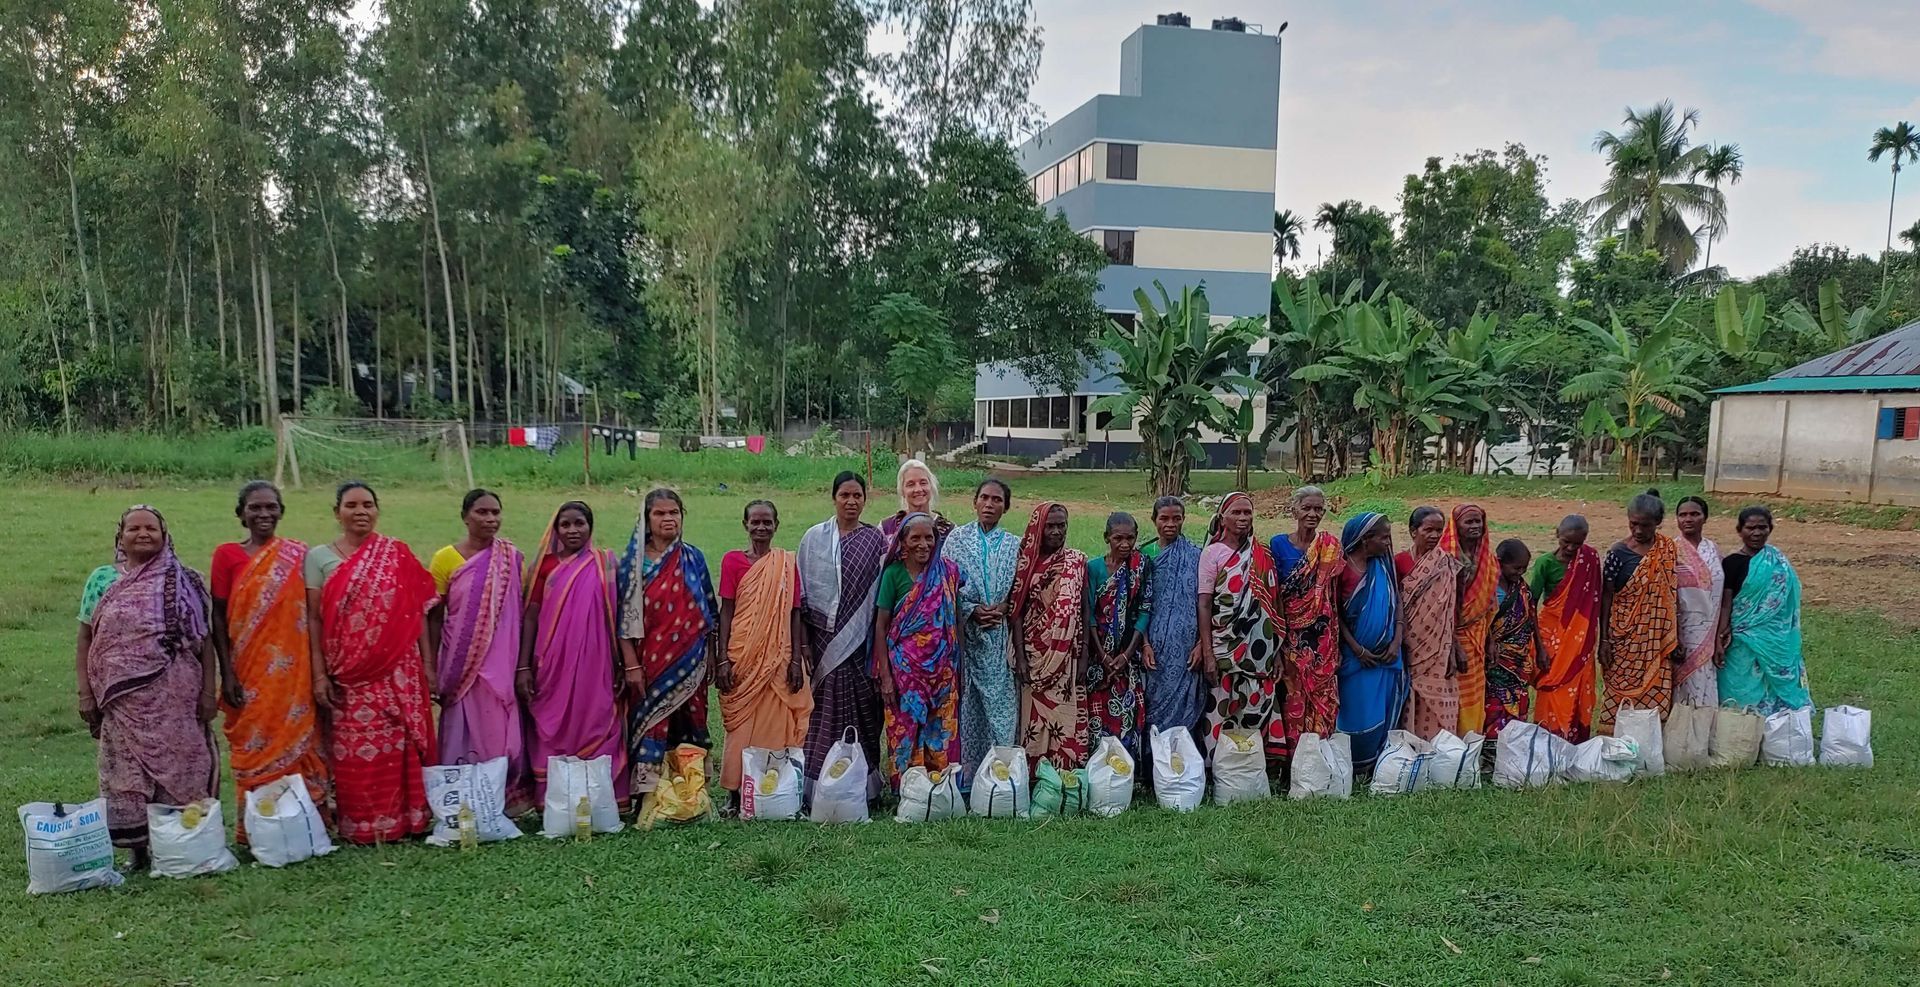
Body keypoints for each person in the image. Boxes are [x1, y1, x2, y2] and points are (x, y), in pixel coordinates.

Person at [76, 505, 217, 867]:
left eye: (151, 528)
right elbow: (86, 638)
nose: (143, 534)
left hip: (177, 697)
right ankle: (139, 851)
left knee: (182, 766)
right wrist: (85, 692)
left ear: (164, 534)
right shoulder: (102, 580)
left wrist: (208, 692)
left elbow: (205, 641)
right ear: (120, 537)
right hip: (121, 701)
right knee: (127, 773)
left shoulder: (186, 580)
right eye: (133, 528)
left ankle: (183, 843)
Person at [306, 481, 438, 843]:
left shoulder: (396, 553)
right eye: (351, 505)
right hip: (347, 671)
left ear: (377, 510)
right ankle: (361, 824)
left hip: (400, 667)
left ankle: (409, 819)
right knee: (353, 748)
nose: (360, 511)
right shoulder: (318, 557)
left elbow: (417, 613)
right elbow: (314, 618)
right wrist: (320, 675)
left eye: (367, 504)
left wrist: (428, 665)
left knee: (402, 741)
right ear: (337, 512)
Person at [208, 482, 328, 842]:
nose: (264, 514)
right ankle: (256, 829)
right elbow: (217, 615)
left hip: (294, 673)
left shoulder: (298, 554)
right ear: (240, 513)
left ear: (281, 510)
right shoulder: (227, 555)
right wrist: (227, 674)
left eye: (271, 507)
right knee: (254, 742)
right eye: (255, 508)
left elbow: (311, 612)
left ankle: (305, 822)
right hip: (249, 669)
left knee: (300, 741)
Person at [519, 500, 623, 804]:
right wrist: (523, 666)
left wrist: (622, 663)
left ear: (590, 527)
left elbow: (617, 616)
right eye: (565, 524)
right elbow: (530, 616)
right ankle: (552, 798)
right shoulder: (544, 568)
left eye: (579, 523)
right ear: (555, 529)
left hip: (597, 662)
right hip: (551, 664)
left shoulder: (605, 564)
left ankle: (602, 796)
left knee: (598, 718)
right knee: (551, 724)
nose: (573, 530)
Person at [618, 489, 719, 796]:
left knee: (691, 720)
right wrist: (631, 665)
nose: (668, 519)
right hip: (648, 661)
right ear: (646, 520)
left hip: (691, 660)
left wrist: (712, 655)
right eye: (660, 513)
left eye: (674, 512)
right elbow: (623, 618)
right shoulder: (632, 564)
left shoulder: (693, 557)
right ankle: (649, 793)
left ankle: (690, 791)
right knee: (650, 722)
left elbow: (709, 611)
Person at [428, 489, 526, 805]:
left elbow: (518, 613)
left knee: (497, 729)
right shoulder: (445, 559)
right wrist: (429, 665)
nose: (490, 519)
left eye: (495, 512)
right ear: (465, 516)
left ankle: (498, 796)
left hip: (501, 664)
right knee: (459, 727)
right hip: (459, 662)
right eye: (482, 512)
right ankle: (460, 797)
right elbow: (434, 616)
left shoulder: (510, 558)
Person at [715, 500, 811, 814]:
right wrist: (722, 658)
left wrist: (796, 660)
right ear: (745, 525)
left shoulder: (786, 563)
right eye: (755, 522)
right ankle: (734, 791)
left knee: (777, 722)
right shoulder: (732, 562)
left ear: (776, 525)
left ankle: (775, 790)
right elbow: (726, 612)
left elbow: (795, 614)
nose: (761, 528)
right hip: (743, 654)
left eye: (767, 522)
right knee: (740, 726)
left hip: (778, 655)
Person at [797, 472, 888, 801]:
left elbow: (880, 598)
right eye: (845, 495)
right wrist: (805, 643)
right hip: (822, 642)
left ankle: (863, 787)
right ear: (833, 498)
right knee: (823, 710)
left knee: (864, 711)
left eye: (857, 496)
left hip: (861, 644)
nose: (851, 502)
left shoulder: (876, 541)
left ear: (865, 500)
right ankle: (817, 783)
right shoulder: (813, 539)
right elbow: (803, 595)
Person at [871, 512, 965, 788]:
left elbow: (954, 617)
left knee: (941, 728)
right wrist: (885, 677)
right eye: (916, 538)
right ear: (903, 542)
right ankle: (909, 789)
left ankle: (941, 786)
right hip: (905, 673)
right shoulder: (893, 574)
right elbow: (881, 627)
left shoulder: (947, 572)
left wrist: (957, 662)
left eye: (929, 537)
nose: (924, 544)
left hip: (944, 670)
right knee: (906, 727)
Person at [1198, 491, 1285, 759]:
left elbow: (1273, 604)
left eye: (1247, 512)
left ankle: (1251, 763)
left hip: (1260, 652)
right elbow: (1204, 605)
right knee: (1220, 707)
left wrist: (1277, 653)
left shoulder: (1262, 555)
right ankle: (1216, 766)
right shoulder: (1212, 554)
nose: (1243, 518)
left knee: (1256, 705)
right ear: (1222, 517)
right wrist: (1208, 653)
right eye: (1236, 512)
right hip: (1225, 645)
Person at [944, 478, 1021, 777]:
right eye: (984, 498)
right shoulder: (956, 540)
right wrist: (971, 610)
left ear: (1006, 507)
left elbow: (1021, 589)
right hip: (967, 637)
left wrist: (1002, 608)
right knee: (969, 705)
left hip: (1000, 637)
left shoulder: (1015, 545)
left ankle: (1003, 771)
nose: (989, 505)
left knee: (1001, 705)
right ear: (974, 502)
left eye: (997, 500)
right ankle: (970, 775)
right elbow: (946, 586)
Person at [1009, 501, 1090, 770]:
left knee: (1065, 715)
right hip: (1033, 654)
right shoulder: (1026, 563)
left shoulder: (1076, 562)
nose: (1056, 531)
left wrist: (1086, 653)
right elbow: (1017, 611)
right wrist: (1021, 655)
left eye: (1061, 525)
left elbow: (1084, 609)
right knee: (1033, 717)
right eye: (1050, 526)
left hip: (1066, 654)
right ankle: (1032, 773)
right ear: (1037, 528)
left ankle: (1065, 774)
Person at [1598, 489, 1680, 733]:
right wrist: (1604, 640)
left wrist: (1676, 638)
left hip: (1656, 640)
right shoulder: (1617, 553)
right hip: (1623, 638)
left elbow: (1671, 597)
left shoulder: (1667, 549)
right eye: (1634, 524)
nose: (1639, 531)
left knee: (1656, 691)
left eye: (1645, 525)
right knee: (1618, 692)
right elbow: (1607, 596)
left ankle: (1649, 742)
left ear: (1658, 523)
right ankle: (1613, 740)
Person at [1716, 506, 1812, 713]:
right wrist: (1722, 632)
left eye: (1762, 527)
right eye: (1750, 528)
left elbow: (1788, 602)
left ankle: (1777, 730)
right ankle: (1740, 731)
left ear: (1770, 529)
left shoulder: (1779, 562)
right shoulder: (1731, 563)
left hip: (1776, 639)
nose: (1757, 533)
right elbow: (1726, 602)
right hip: (1741, 639)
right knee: (1739, 687)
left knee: (1774, 687)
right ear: (1739, 530)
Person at [1270, 486, 1342, 756]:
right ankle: (1292, 759)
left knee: (1322, 696)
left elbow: (1333, 598)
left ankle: (1319, 756)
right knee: (1292, 696)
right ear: (1294, 510)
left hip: (1321, 640)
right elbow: (1274, 593)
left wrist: (1336, 644)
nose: (1312, 514)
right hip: (1289, 636)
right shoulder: (1278, 544)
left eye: (1318, 509)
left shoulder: (1330, 547)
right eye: (1307, 508)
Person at [1334, 512, 1405, 769]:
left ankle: (1376, 761)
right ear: (1366, 540)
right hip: (1356, 656)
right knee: (1356, 710)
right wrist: (1357, 648)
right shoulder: (1341, 568)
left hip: (1386, 655)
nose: (1389, 543)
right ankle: (1353, 762)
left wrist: (1396, 640)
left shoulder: (1384, 566)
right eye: (1384, 538)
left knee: (1381, 708)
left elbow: (1397, 601)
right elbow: (1335, 613)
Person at [1085, 512, 1152, 762]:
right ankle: (1098, 767)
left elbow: (1145, 610)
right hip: (1097, 656)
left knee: (1127, 712)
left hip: (1128, 655)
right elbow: (1089, 614)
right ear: (1106, 538)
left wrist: (1124, 655)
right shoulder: (1093, 568)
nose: (1125, 544)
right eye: (1118, 538)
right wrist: (1103, 656)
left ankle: (1125, 768)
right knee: (1097, 713)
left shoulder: (1141, 566)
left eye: (1130, 538)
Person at [1529, 515, 1602, 742]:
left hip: (1579, 639)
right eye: (1565, 542)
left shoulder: (1589, 561)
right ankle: (1547, 738)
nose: (1571, 548)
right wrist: (1540, 648)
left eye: (1577, 544)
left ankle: (1575, 740)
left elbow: (1594, 601)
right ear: (1556, 534)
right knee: (1552, 686)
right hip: (1551, 636)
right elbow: (1530, 603)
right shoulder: (1545, 563)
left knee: (1579, 687)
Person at [1140, 496, 1204, 736]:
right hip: (1154, 646)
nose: (1170, 524)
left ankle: (1184, 760)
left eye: (1176, 519)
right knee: (1153, 703)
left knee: (1186, 707)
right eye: (1164, 518)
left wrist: (1201, 645)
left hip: (1188, 648)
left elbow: (1205, 602)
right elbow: (1139, 605)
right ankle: (1153, 761)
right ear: (1153, 520)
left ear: (1183, 520)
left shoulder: (1196, 555)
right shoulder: (1144, 555)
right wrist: (1144, 643)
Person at [1395, 506, 1459, 739]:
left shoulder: (1446, 564)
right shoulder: (1400, 561)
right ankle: (1411, 741)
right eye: (1428, 530)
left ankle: (1438, 744)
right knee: (1411, 692)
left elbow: (1450, 610)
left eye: (1438, 531)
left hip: (1439, 646)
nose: (1434, 536)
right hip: (1409, 643)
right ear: (1414, 531)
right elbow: (1395, 603)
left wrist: (1453, 647)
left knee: (1439, 693)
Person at [1443, 503, 1496, 735]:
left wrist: (1490, 639)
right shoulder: (1446, 558)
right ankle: (1453, 743)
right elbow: (1442, 607)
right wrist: (1454, 643)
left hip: (1478, 635)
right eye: (1469, 522)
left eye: (1478, 522)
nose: (1475, 526)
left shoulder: (1487, 559)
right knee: (1455, 693)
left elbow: (1487, 605)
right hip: (1451, 637)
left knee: (1475, 691)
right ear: (1456, 526)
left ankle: (1472, 740)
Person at [1483, 539, 1542, 739]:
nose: (1520, 573)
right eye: (1516, 568)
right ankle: (1491, 748)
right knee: (1494, 703)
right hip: (1494, 659)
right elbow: (1482, 622)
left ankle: (1513, 744)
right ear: (1499, 562)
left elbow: (1531, 618)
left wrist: (1540, 649)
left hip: (1519, 660)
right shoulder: (1487, 587)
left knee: (1519, 700)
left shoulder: (1521, 588)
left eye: (1524, 569)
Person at [1673, 495, 1725, 707]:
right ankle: (1679, 737)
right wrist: (1674, 637)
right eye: (1683, 514)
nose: (1688, 519)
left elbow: (1722, 592)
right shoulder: (1670, 550)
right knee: (1681, 686)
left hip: (1709, 633)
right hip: (1681, 632)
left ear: (1705, 518)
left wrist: (1720, 636)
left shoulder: (1713, 550)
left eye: (1695, 514)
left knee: (1705, 681)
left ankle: (1702, 735)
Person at [880, 458, 954, 549]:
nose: (918, 489)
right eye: (910, 484)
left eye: (923, 483)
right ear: (902, 491)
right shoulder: (887, 528)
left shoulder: (949, 531)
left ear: (931, 487)